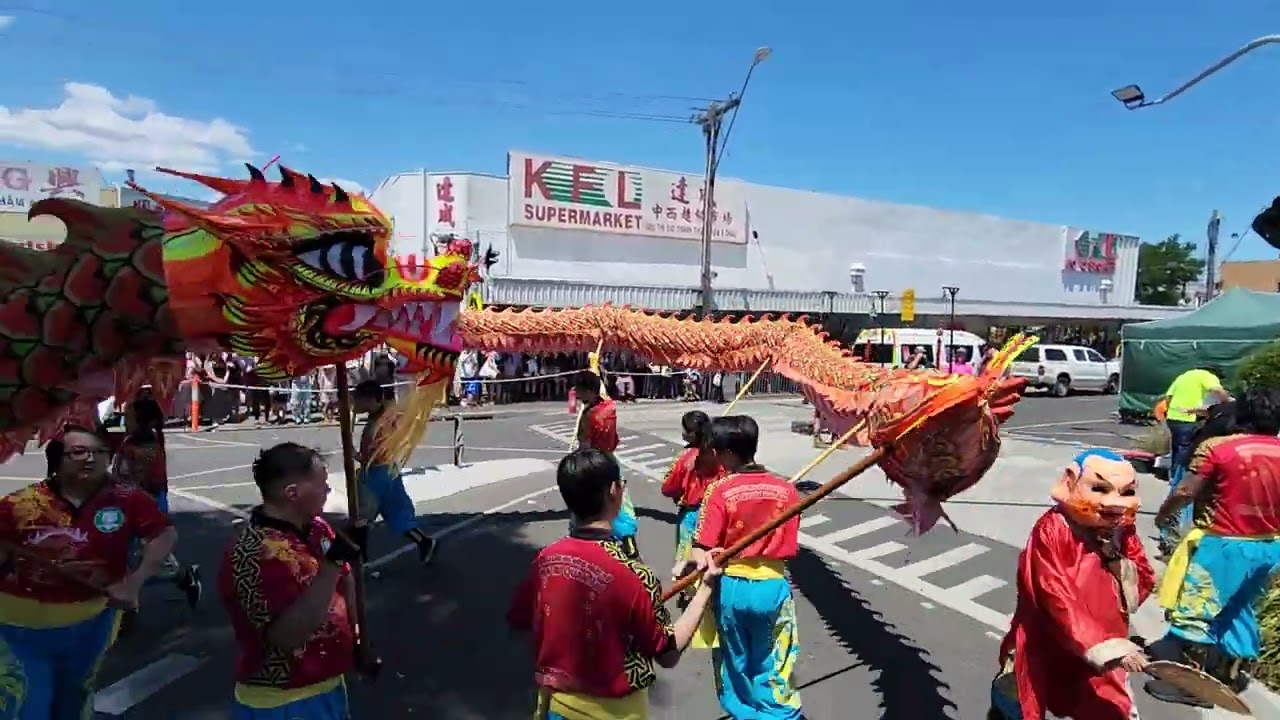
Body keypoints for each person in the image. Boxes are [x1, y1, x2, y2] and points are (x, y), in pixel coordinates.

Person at [507, 448, 723, 719]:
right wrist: (705, 588)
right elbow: (668, 653)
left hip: (557, 707)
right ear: (614, 491)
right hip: (615, 712)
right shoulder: (633, 574)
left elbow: (520, 620)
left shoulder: (545, 559)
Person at [0, 425, 178, 719]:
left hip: (93, 623)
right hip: (21, 630)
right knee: (27, 707)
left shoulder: (127, 498)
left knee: (76, 703)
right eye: (78, 452)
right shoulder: (18, 506)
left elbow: (163, 535)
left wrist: (135, 581)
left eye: (99, 452)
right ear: (57, 459)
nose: (90, 459)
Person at [990, 448, 1154, 720]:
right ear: (1070, 483)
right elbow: (1054, 593)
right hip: (1049, 638)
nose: (1115, 502)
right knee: (1021, 698)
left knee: (1112, 709)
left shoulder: (1122, 530)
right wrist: (1105, 646)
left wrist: (1115, 557)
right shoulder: (1052, 529)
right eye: (1100, 489)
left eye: (1126, 492)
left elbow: (1142, 581)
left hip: (1104, 635)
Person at [219, 442, 375, 719]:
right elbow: (287, 637)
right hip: (281, 703)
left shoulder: (318, 528)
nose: (328, 490)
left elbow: (346, 583)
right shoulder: (250, 552)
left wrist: (358, 642)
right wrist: (332, 564)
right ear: (293, 493)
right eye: (322, 484)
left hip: (330, 689)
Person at [1148, 388, 1280, 701]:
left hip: (1223, 545)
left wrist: (1163, 516)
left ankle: (1195, 687)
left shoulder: (1219, 448)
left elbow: (1185, 492)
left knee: (1194, 614)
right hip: (1269, 545)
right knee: (1236, 608)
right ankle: (1229, 674)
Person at [686, 415, 805, 719]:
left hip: (731, 588)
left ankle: (745, 713)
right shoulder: (787, 490)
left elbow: (701, 549)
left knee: (734, 663)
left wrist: (690, 569)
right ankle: (776, 714)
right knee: (775, 662)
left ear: (724, 453)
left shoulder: (719, 491)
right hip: (773, 587)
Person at [108, 397, 202, 619]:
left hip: (145, 508)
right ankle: (129, 604)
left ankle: (183, 578)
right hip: (127, 505)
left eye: (129, 417)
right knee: (127, 556)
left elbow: (143, 484)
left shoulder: (147, 449)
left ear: (142, 421)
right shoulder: (130, 443)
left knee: (150, 558)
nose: (125, 421)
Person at [352, 380, 436, 564]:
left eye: (357, 399)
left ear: (370, 399)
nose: (354, 404)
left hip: (377, 474)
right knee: (395, 513)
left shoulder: (382, 422)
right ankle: (423, 542)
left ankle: (361, 560)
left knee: (363, 519)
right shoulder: (382, 417)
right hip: (386, 471)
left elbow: (376, 453)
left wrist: (355, 456)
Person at [1157, 366, 1231, 554]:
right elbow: (1217, 391)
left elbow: (1169, 398)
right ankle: (1175, 532)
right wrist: (1227, 401)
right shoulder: (1207, 376)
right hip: (1188, 421)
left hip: (1174, 419)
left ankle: (1175, 474)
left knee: (1179, 458)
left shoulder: (1183, 375)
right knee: (1186, 468)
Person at [570, 371, 640, 561]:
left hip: (594, 463)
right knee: (620, 503)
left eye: (579, 389)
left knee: (591, 506)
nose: (576, 393)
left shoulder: (589, 415)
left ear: (589, 390)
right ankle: (628, 540)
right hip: (611, 459)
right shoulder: (609, 407)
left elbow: (584, 445)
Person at [660, 411, 723, 601]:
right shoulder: (718, 456)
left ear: (692, 434)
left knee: (687, 556)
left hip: (690, 515)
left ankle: (689, 593)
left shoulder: (685, 458)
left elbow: (668, 486)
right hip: (714, 512)